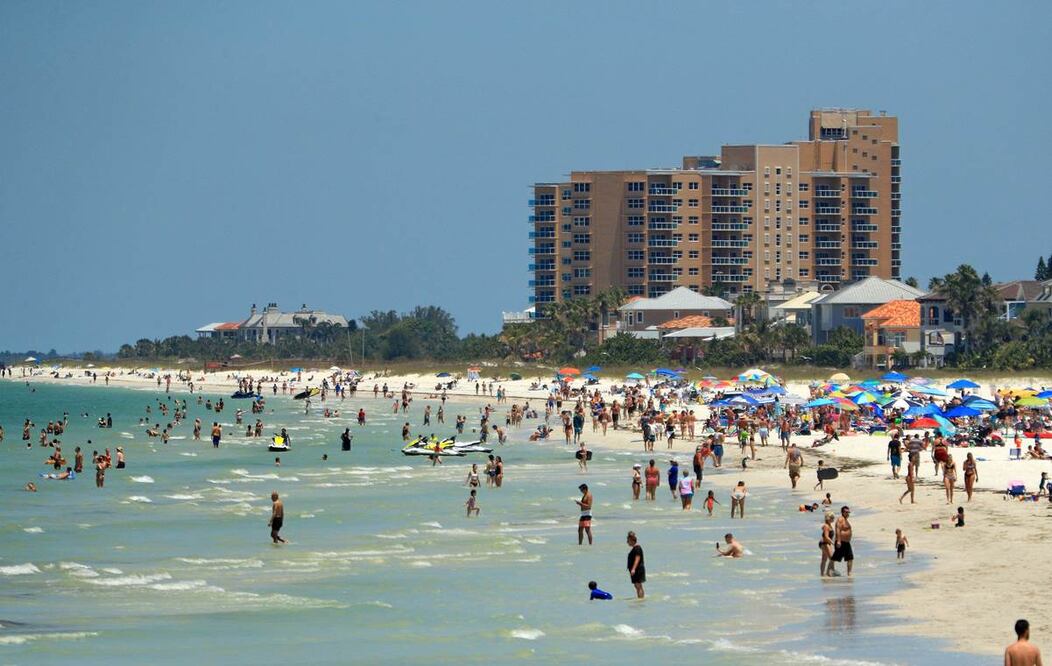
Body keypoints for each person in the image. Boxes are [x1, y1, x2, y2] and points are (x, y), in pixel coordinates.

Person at [831, 506, 854, 576]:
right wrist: (838, 541)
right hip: (841, 542)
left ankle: (849, 573)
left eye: (848, 512)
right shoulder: (840, 519)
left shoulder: (845, 520)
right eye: (846, 512)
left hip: (847, 543)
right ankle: (830, 570)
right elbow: (837, 530)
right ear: (842, 512)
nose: (848, 514)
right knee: (835, 557)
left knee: (850, 557)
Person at [626, 531, 645, 599]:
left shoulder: (637, 548)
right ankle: (640, 598)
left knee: (638, 585)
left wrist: (633, 569)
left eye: (628, 541)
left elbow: (637, 558)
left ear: (632, 540)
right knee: (637, 585)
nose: (627, 542)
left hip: (638, 569)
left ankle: (640, 599)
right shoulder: (635, 548)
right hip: (636, 569)